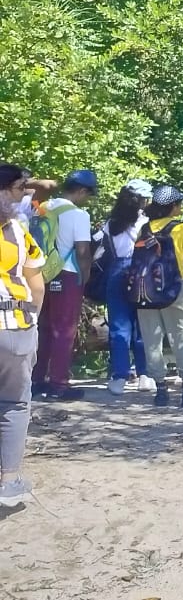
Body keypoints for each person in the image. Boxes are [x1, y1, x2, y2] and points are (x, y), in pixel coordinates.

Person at [0, 164, 45, 506]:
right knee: (14, 403)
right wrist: (32, 320)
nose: (23, 194)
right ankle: (9, 482)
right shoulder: (17, 232)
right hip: (14, 326)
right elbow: (36, 285)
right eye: (19, 188)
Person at [31, 169, 97, 401]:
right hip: (68, 274)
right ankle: (59, 384)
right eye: (88, 194)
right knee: (64, 330)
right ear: (81, 191)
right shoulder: (79, 215)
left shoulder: (43, 207)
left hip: (40, 273)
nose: (87, 199)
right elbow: (82, 251)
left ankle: (36, 380)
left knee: (43, 327)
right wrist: (85, 276)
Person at [137, 185, 183, 408]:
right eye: (180, 203)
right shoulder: (182, 228)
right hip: (175, 289)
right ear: (173, 206)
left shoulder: (144, 229)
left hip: (145, 292)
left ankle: (161, 391)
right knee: (182, 334)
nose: (182, 206)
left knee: (151, 339)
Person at [96, 179, 156, 396]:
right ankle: (145, 375)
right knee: (142, 324)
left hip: (116, 271)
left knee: (119, 326)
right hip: (141, 272)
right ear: (142, 200)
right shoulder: (146, 223)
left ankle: (119, 377)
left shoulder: (111, 223)